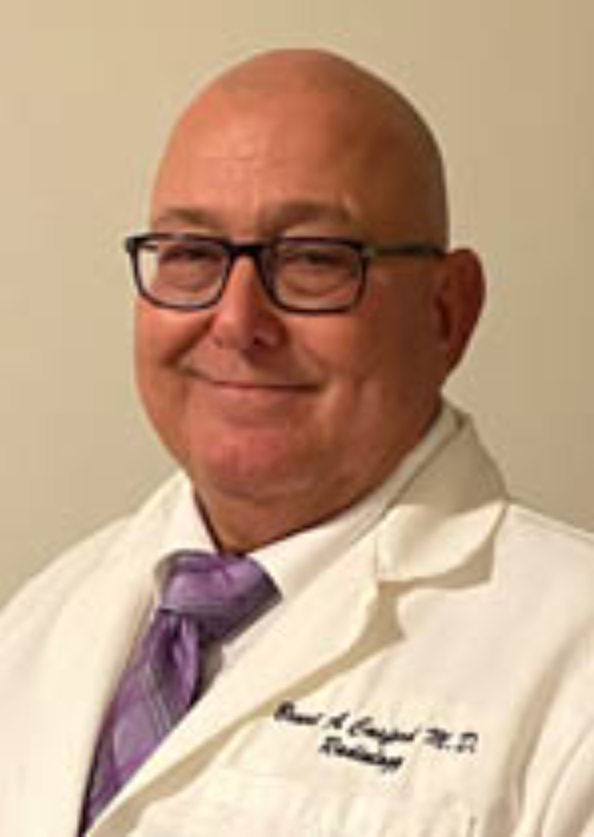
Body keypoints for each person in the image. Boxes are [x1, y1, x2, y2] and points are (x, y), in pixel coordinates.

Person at [1, 47, 593, 837]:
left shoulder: (575, 665)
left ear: (448, 310)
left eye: (314, 260)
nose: (238, 322)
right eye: (191, 255)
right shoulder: (43, 616)